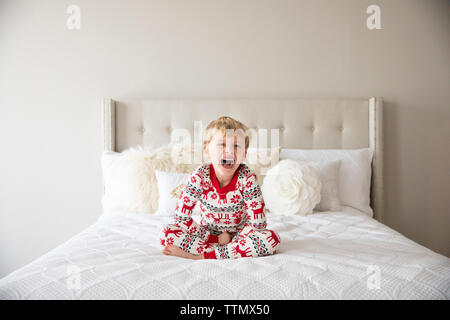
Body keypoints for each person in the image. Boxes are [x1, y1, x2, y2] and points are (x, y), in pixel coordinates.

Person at [159, 116, 281, 259]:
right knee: (166, 232)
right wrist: (216, 239)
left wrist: (234, 240)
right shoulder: (199, 177)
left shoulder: (247, 179)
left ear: (244, 154)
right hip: (207, 236)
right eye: (222, 144)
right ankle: (224, 251)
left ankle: (202, 255)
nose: (229, 151)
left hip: (240, 237)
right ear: (207, 150)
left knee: (273, 239)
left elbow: (258, 224)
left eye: (236, 146)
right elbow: (181, 218)